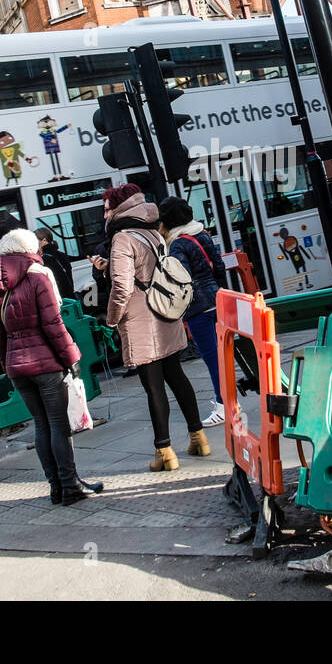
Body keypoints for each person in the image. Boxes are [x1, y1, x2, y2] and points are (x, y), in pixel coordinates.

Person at [0, 228, 99, 506]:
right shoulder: (38, 277)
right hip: (46, 365)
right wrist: (71, 358)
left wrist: (8, 366)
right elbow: (54, 325)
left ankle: (56, 488)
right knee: (59, 426)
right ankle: (70, 486)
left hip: (18, 367)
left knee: (41, 425)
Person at [104, 183, 209, 471]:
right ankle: (199, 437)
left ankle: (164, 452)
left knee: (153, 387)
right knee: (177, 377)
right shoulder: (154, 231)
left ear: (117, 208)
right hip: (166, 313)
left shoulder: (123, 238)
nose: (105, 213)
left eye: (107, 207)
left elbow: (122, 287)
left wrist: (111, 319)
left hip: (141, 319)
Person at [158, 197, 227, 428]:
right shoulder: (202, 234)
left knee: (212, 359)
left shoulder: (177, 244)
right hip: (218, 301)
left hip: (199, 309)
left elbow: (181, 278)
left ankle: (223, 406)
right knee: (226, 355)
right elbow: (219, 267)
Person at [34, 226, 76, 303]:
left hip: (57, 300)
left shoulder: (44, 259)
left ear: (44, 240)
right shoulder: (63, 255)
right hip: (69, 297)